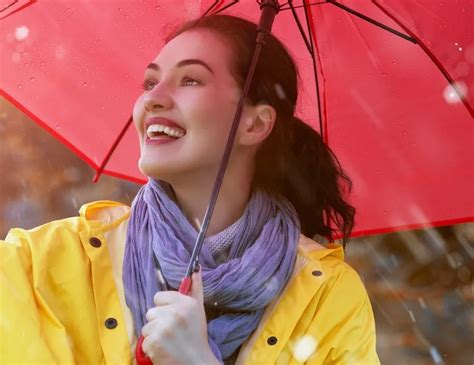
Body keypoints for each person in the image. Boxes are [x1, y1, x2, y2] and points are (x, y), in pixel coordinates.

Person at [0, 14, 380, 365]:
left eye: (191, 80)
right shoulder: (36, 266)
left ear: (255, 124)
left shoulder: (327, 299)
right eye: (150, 82)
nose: (152, 98)